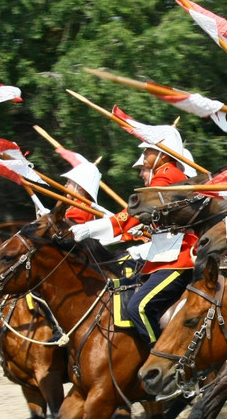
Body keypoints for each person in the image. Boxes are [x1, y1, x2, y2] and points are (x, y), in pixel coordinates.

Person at [69, 126, 198, 348]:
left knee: (139, 307)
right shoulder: (167, 175)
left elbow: (132, 214)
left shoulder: (167, 176)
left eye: (148, 150)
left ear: (163, 153)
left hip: (179, 259)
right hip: (162, 258)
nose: (145, 155)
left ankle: (162, 360)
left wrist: (93, 228)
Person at [61, 159, 102, 226]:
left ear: (80, 187)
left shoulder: (78, 210)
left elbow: (66, 234)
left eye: (69, 182)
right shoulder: (83, 206)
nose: (65, 185)